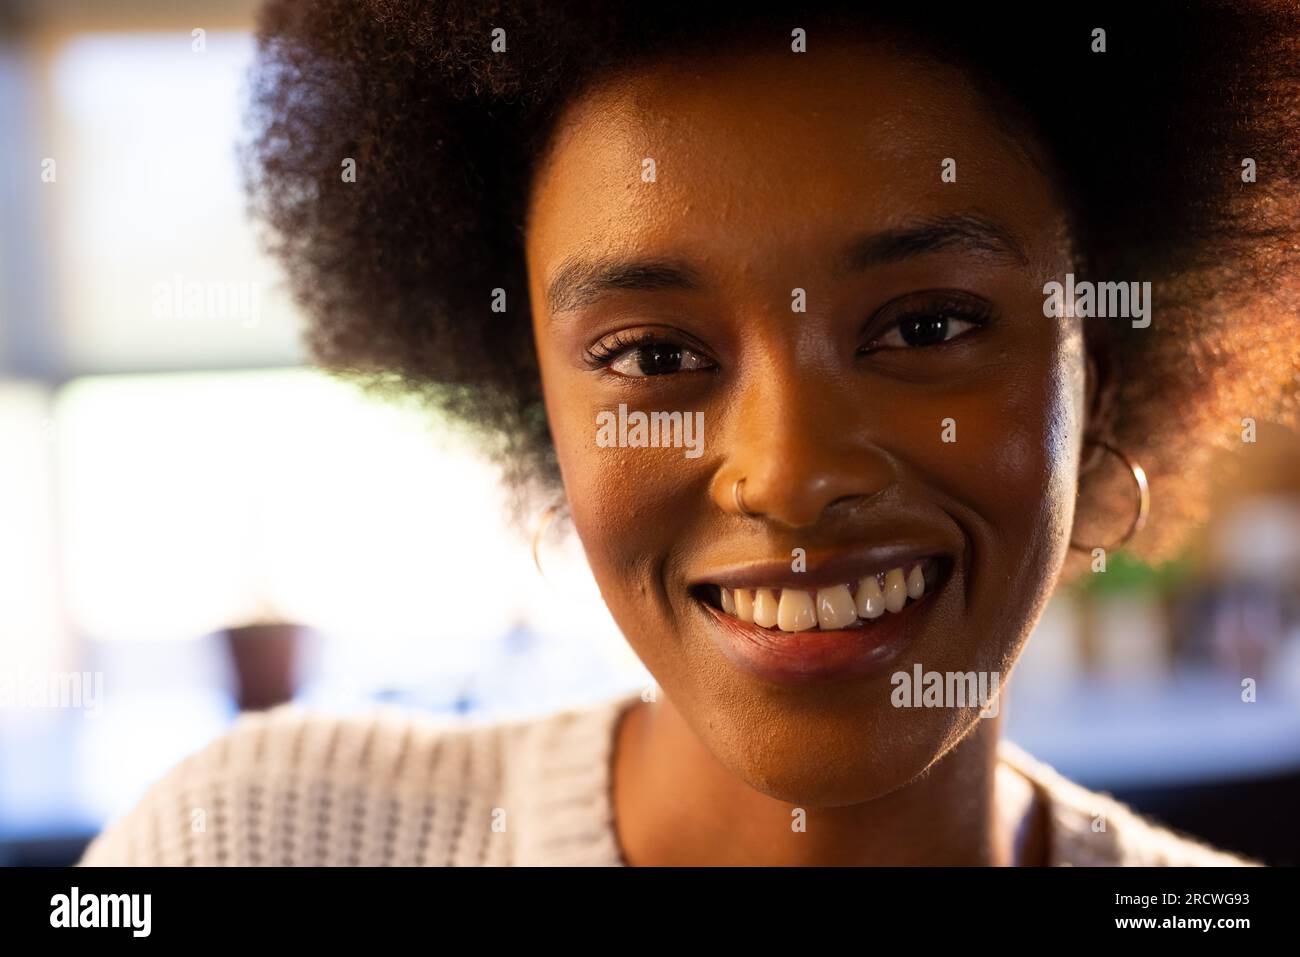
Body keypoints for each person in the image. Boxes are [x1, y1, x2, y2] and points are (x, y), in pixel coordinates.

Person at [81, 0, 1299, 866]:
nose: (792, 472)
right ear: (536, 403)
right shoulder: (251, 843)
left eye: (926, 325)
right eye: (655, 356)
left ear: (1108, 355)